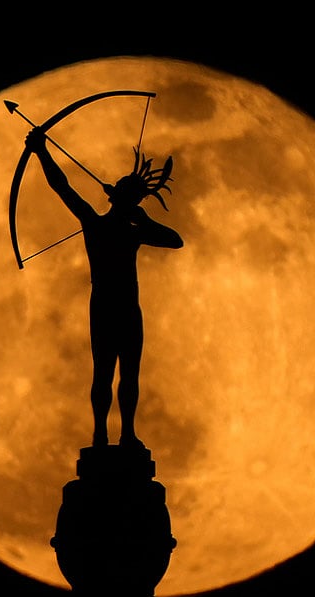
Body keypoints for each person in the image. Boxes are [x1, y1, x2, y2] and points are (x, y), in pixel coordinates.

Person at [25, 127, 184, 448]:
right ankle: (101, 434)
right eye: (126, 189)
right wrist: (41, 151)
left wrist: (144, 220)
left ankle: (126, 434)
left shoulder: (130, 230)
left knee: (128, 373)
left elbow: (175, 240)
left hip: (126, 307)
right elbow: (62, 186)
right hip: (107, 305)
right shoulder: (97, 224)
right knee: (105, 372)